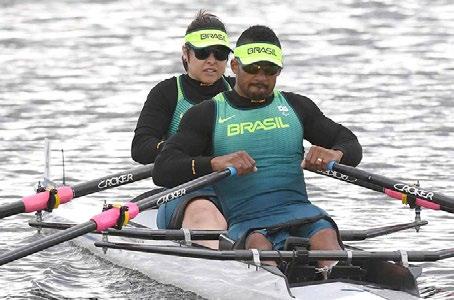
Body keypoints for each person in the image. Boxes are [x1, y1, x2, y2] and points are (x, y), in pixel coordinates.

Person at [152, 25, 362, 268]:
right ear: (234, 66)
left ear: (279, 71)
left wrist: (336, 154)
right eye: (252, 68)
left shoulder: (297, 106)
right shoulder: (208, 113)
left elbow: (351, 144)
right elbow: (163, 168)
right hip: (247, 222)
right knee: (260, 249)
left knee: (326, 240)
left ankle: (341, 282)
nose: (261, 77)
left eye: (270, 70)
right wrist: (214, 163)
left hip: (301, 211)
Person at [131, 10, 235, 249]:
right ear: (186, 54)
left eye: (219, 53)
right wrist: (184, 152)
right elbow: (140, 148)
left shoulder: (241, 90)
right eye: (202, 52)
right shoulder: (167, 92)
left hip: (237, 186)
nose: (211, 60)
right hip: (185, 190)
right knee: (209, 220)